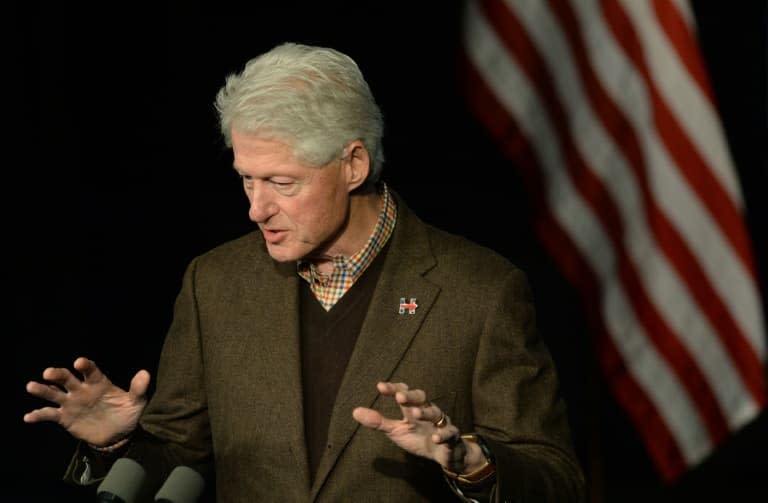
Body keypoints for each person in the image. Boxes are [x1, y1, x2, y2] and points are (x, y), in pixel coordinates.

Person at [23, 42, 585, 502]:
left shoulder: (481, 291)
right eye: (247, 179)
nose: (255, 208)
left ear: (353, 165)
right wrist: (116, 445)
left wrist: (472, 461)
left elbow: (556, 480)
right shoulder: (214, 283)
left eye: (282, 183)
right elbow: (179, 457)